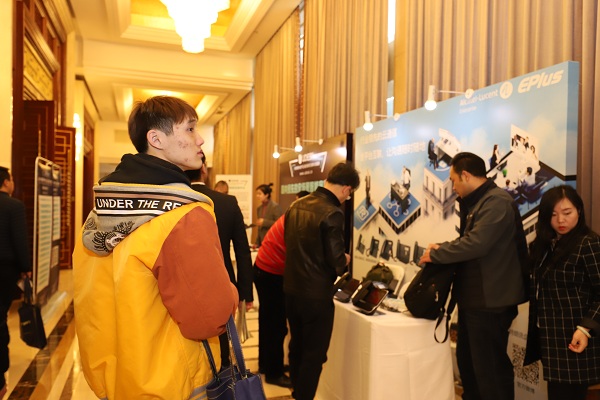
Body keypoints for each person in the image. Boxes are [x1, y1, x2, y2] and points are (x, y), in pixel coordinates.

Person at [72, 96, 238, 400]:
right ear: (156, 139)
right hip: (170, 383)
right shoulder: (183, 215)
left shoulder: (99, 213)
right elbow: (208, 318)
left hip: (113, 378)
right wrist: (231, 292)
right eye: (190, 129)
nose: (200, 139)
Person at [419, 152, 528, 400]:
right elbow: (470, 241)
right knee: (469, 367)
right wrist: (442, 247)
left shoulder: (497, 202)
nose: (453, 187)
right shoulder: (479, 202)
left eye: (453, 180)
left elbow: (477, 244)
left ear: (466, 176)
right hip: (475, 300)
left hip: (491, 302)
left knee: (490, 372)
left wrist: (437, 254)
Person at [283, 162, 360, 400]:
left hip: (291, 289)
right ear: (347, 189)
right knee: (314, 355)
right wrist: (345, 259)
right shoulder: (332, 212)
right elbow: (336, 259)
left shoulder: (296, 205)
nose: (347, 199)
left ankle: (296, 391)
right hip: (316, 295)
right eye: (349, 195)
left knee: (296, 346)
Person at [524, 185, 600, 400]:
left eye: (567, 213)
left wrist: (585, 328)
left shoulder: (589, 243)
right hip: (551, 337)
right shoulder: (547, 245)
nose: (560, 220)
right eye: (553, 214)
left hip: (576, 338)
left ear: (579, 211)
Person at [186, 156, 254, 371]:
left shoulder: (173, 200)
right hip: (222, 283)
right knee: (223, 341)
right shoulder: (227, 203)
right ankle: (223, 376)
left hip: (184, 284)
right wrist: (245, 294)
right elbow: (242, 251)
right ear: (204, 170)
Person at [253, 190, 309, 389]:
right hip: (270, 274)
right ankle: (274, 373)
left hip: (264, 271)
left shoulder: (294, 216)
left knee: (268, 323)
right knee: (276, 326)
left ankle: (267, 364)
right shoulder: (299, 222)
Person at [0, 167, 31, 398]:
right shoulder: (14, 206)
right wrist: (26, 268)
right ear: (5, 182)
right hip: (5, 270)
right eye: (11, 179)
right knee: (1, 316)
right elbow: (20, 240)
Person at [254, 183, 283, 247]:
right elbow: (260, 229)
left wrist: (264, 222)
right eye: (257, 194)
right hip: (262, 242)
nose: (257, 196)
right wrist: (257, 242)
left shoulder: (275, 207)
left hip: (273, 240)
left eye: (259, 194)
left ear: (266, 195)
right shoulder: (259, 208)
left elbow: (279, 224)